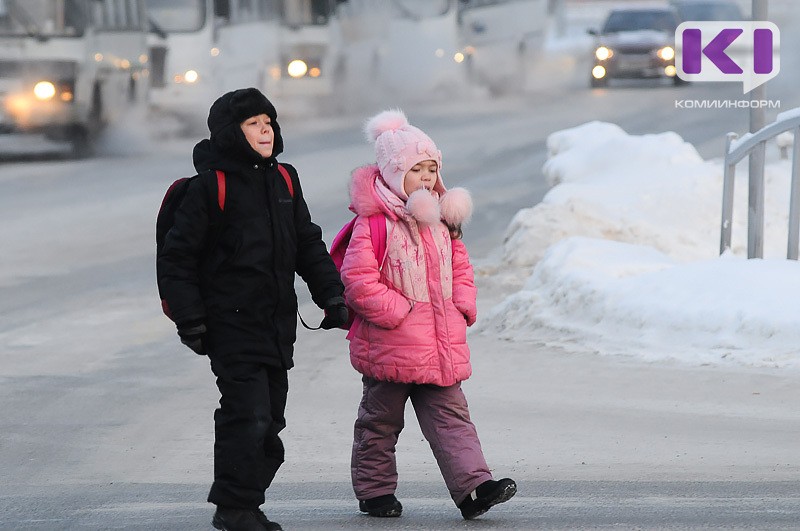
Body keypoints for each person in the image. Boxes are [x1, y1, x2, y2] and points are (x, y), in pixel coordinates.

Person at [156, 87, 349, 531]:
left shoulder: (284, 178)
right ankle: (234, 508)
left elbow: (306, 242)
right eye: (252, 124)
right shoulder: (210, 188)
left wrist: (331, 295)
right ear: (231, 132)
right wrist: (191, 319)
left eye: (268, 122)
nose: (265, 130)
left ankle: (245, 502)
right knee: (249, 414)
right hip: (229, 324)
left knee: (271, 423)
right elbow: (178, 258)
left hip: (275, 324)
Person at [339, 109, 517, 520]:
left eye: (430, 169)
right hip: (392, 344)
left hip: (438, 345)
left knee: (454, 417)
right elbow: (359, 279)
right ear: (391, 173)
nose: (424, 177)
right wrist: (400, 312)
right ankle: (375, 491)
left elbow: (461, 268)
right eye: (414, 169)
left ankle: (474, 488)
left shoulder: (441, 221)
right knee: (380, 423)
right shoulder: (376, 223)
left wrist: (463, 305)